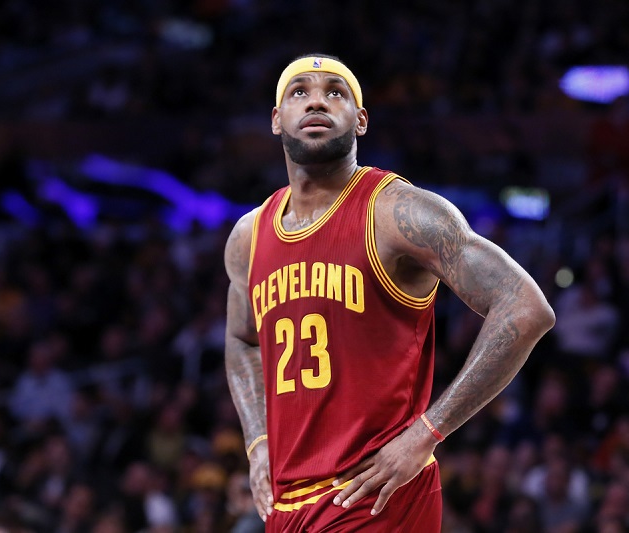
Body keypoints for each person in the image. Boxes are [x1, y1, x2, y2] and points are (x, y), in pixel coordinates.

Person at [223, 53, 555, 532]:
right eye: (300, 92)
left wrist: (427, 432)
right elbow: (241, 339)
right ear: (277, 120)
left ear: (360, 120)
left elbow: (525, 307)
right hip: (287, 503)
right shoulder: (249, 236)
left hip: (376, 495)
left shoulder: (398, 213)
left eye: (334, 92)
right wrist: (258, 445)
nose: (316, 101)